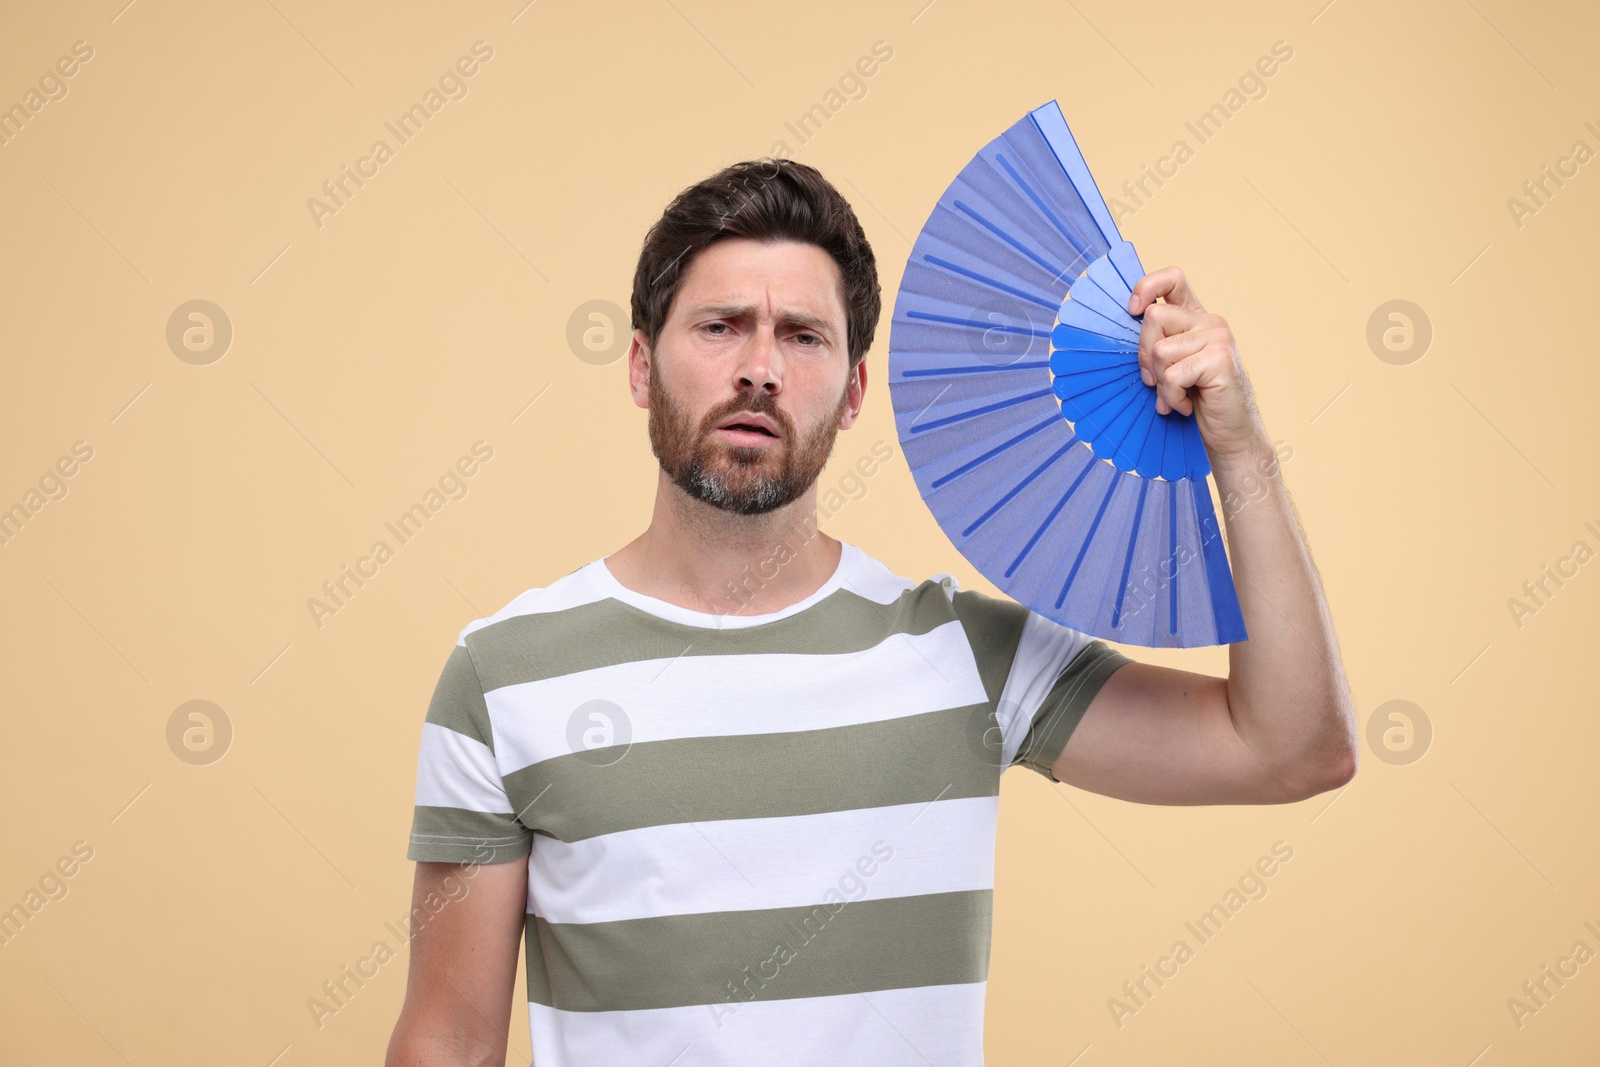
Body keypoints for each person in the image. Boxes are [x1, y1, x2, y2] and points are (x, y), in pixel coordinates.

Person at [384, 158, 1356, 1066]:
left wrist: (1242, 449)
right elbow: (449, 1042)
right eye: (720, 325)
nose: (760, 367)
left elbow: (1291, 748)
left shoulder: (963, 655)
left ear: (852, 392)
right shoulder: (504, 674)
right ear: (641, 366)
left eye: (802, 335)